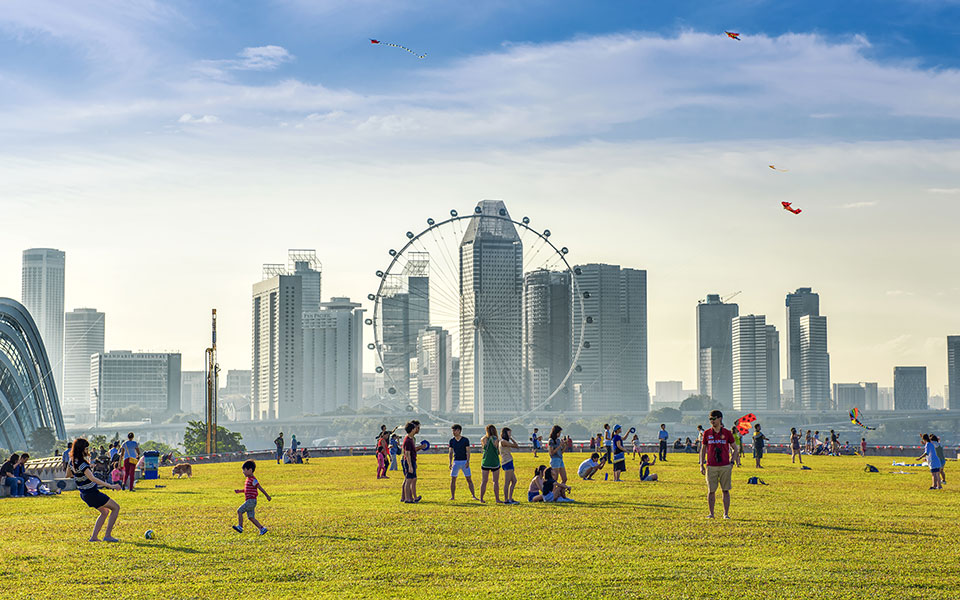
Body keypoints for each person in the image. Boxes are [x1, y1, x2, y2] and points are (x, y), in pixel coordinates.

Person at [69, 438, 122, 541]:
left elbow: (68, 474)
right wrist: (111, 486)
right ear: (82, 449)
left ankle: (94, 537)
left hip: (84, 494)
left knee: (105, 512)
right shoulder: (82, 464)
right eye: (86, 448)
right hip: (92, 493)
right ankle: (107, 536)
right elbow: (93, 478)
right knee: (116, 508)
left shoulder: (72, 462)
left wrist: (80, 473)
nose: (87, 450)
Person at [700, 410, 737, 519]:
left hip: (725, 465)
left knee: (725, 490)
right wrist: (701, 464)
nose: (712, 421)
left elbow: (735, 448)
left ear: (720, 418)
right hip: (711, 466)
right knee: (711, 490)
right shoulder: (707, 433)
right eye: (710, 419)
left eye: (714, 418)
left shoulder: (727, 433)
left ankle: (726, 514)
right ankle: (711, 513)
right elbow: (703, 449)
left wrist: (732, 462)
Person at [233, 460, 271, 535]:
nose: (243, 472)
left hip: (251, 501)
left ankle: (240, 527)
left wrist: (267, 496)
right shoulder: (248, 480)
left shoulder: (253, 480)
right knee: (251, 517)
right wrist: (240, 491)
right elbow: (247, 490)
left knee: (239, 511)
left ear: (250, 470)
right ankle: (262, 529)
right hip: (251, 501)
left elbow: (260, 488)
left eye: (244, 470)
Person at [448, 424, 478, 501]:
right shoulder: (452, 441)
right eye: (453, 431)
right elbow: (450, 452)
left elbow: (468, 451)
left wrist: (468, 461)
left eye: (455, 430)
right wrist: (450, 463)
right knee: (453, 479)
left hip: (464, 461)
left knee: (469, 479)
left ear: (459, 431)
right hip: (456, 461)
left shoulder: (465, 440)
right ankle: (452, 496)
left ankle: (473, 495)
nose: (453, 432)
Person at [401, 422, 424, 503]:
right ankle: (407, 498)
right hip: (409, 462)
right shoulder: (407, 440)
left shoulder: (410, 439)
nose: (416, 429)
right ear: (412, 429)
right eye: (414, 428)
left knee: (413, 478)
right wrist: (410, 466)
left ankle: (411, 497)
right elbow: (407, 454)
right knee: (408, 480)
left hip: (413, 461)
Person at [479, 424, 501, 504]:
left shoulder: (483, 439)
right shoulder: (496, 440)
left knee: (484, 481)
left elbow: (483, 448)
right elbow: (497, 450)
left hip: (486, 461)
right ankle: (497, 499)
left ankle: (481, 498)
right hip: (494, 461)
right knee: (495, 481)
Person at [500, 427, 520, 504]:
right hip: (507, 462)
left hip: (509, 461)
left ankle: (510, 498)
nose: (510, 434)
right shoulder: (503, 442)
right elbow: (515, 445)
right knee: (507, 482)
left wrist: (511, 438)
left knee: (514, 481)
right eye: (509, 433)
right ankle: (506, 500)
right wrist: (511, 438)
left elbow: (516, 446)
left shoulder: (504, 441)